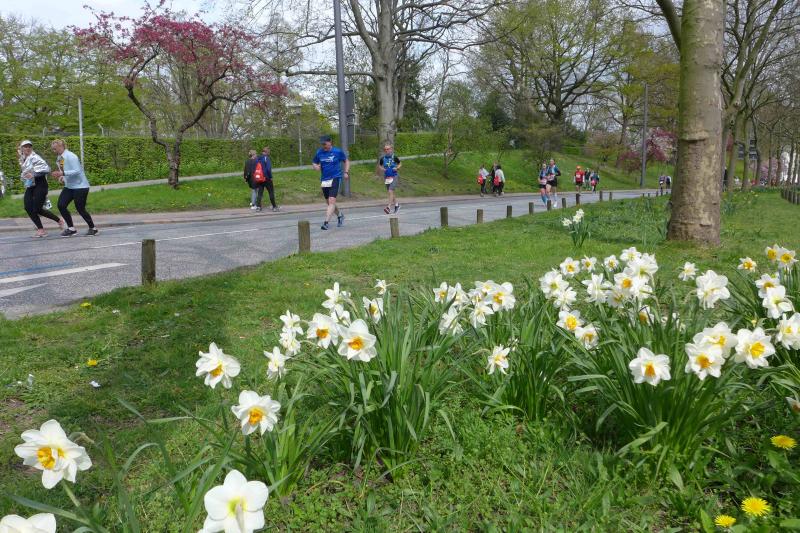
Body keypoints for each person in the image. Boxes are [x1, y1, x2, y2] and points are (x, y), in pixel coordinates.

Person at [50, 139, 98, 236]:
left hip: (80, 186)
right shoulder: (59, 158)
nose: (54, 151)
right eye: (53, 149)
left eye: (55, 149)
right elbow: (64, 171)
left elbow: (77, 170)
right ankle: (71, 229)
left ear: (61, 146)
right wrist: (62, 177)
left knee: (80, 208)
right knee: (61, 205)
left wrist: (62, 173)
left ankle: (93, 228)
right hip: (69, 186)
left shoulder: (71, 156)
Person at [18, 140, 63, 238]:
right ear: (22, 148)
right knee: (28, 207)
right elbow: (26, 171)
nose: (28, 148)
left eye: (29, 146)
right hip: (30, 185)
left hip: (40, 185)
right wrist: (25, 177)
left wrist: (34, 174)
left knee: (37, 209)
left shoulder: (35, 157)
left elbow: (47, 169)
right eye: (25, 146)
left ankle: (58, 220)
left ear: (31, 148)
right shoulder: (22, 158)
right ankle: (41, 229)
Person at [312, 135, 349, 230]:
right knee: (329, 202)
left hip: (335, 178)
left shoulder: (337, 151)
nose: (323, 146)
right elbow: (314, 162)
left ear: (330, 142)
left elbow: (346, 161)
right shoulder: (319, 152)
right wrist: (315, 166)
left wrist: (346, 172)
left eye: (325, 144)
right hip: (324, 180)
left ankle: (326, 223)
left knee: (332, 200)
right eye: (322, 144)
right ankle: (340, 215)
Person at [377, 143, 401, 213]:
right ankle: (397, 205)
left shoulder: (394, 157)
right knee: (391, 192)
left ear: (391, 149)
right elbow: (380, 166)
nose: (386, 150)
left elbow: (400, 164)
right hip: (387, 177)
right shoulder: (383, 158)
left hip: (394, 176)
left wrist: (397, 168)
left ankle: (388, 207)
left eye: (388, 149)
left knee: (390, 191)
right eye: (385, 149)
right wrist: (383, 169)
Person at [258, 146, 279, 211]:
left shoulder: (258, 158)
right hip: (267, 178)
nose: (269, 153)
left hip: (260, 178)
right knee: (271, 192)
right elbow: (268, 169)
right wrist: (270, 177)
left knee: (260, 192)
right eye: (269, 152)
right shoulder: (266, 158)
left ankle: (259, 207)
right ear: (266, 152)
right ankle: (274, 207)